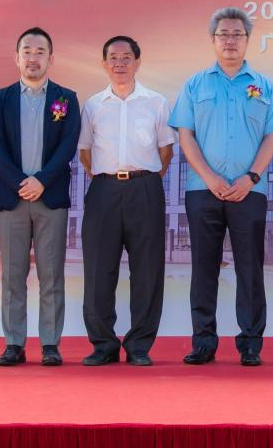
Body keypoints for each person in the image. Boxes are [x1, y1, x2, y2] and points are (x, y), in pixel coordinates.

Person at [169, 6, 273, 366]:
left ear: (248, 40)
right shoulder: (195, 85)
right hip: (202, 189)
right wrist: (209, 176)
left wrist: (251, 177)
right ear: (213, 39)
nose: (231, 40)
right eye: (224, 34)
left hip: (249, 191)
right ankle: (203, 342)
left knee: (249, 269)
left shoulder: (264, 86)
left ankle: (250, 343)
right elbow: (186, 136)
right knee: (203, 268)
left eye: (238, 34)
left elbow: (271, 137)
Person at [76, 36, 176, 367]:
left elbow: (165, 151)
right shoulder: (93, 105)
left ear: (138, 62)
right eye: (114, 58)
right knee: (98, 269)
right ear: (104, 64)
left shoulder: (156, 102)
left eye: (126, 57)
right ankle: (103, 344)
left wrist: (142, 179)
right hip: (104, 189)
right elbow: (85, 152)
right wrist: (106, 178)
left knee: (146, 269)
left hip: (144, 188)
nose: (120, 63)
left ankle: (139, 345)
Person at [0, 27, 80, 367]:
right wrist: (20, 182)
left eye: (40, 52)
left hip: (49, 197)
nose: (33, 57)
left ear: (50, 58)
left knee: (50, 274)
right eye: (27, 51)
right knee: (13, 275)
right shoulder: (0, 99)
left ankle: (50, 343)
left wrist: (41, 181)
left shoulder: (65, 98)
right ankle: (14, 343)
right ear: (17, 57)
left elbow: (68, 145)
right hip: (12, 198)